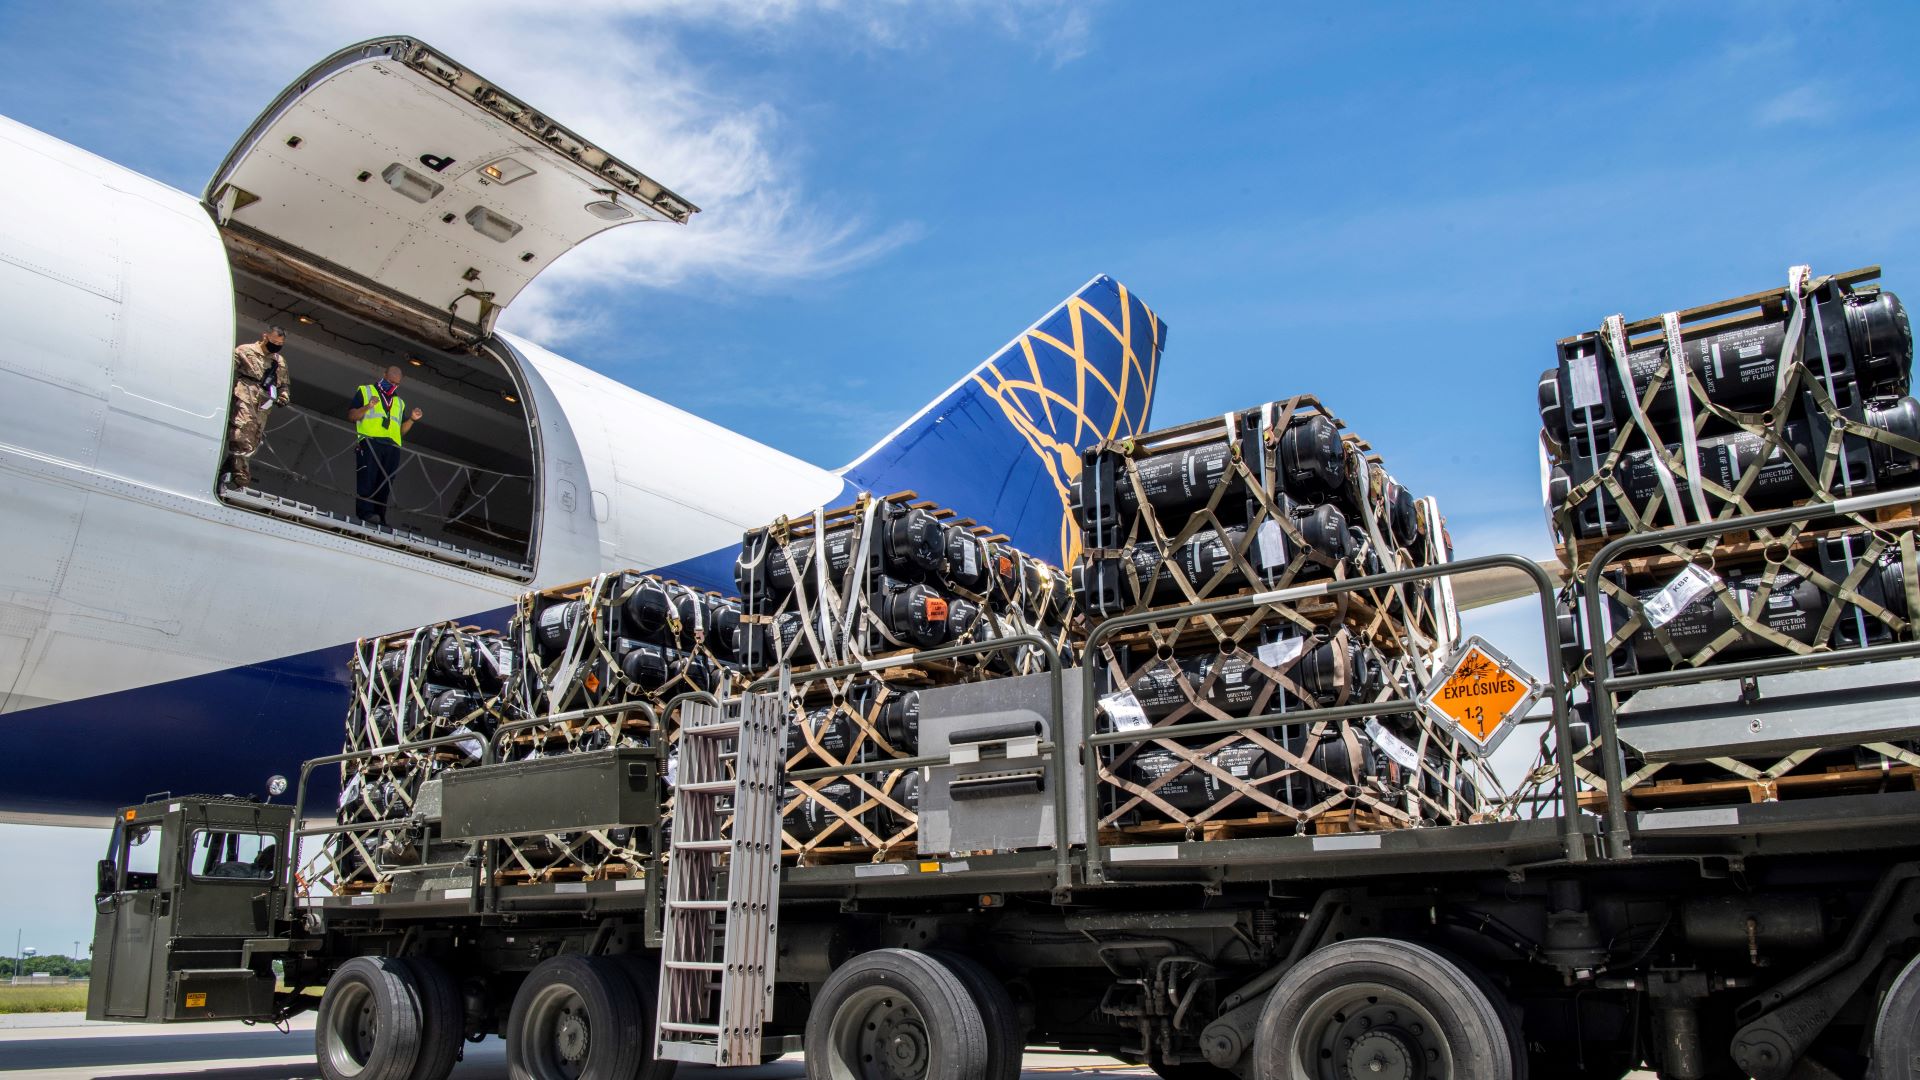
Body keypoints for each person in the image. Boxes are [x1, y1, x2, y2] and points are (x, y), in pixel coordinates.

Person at [347, 365, 424, 526]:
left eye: (397, 383)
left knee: (385, 483)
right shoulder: (365, 391)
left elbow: (400, 431)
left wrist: (411, 419)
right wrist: (368, 406)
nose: (393, 385)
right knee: (367, 478)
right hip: (370, 441)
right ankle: (365, 512)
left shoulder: (399, 402)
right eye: (390, 381)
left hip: (392, 447)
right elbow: (352, 416)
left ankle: (380, 517)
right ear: (383, 375)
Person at [225, 326, 292, 488]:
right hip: (245, 393)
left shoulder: (279, 361)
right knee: (241, 434)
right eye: (274, 342)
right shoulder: (245, 350)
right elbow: (227, 368)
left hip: (264, 402)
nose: (276, 345)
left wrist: (284, 396)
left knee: (253, 440)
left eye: (280, 343)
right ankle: (241, 477)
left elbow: (284, 385)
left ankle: (228, 469)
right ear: (265, 336)